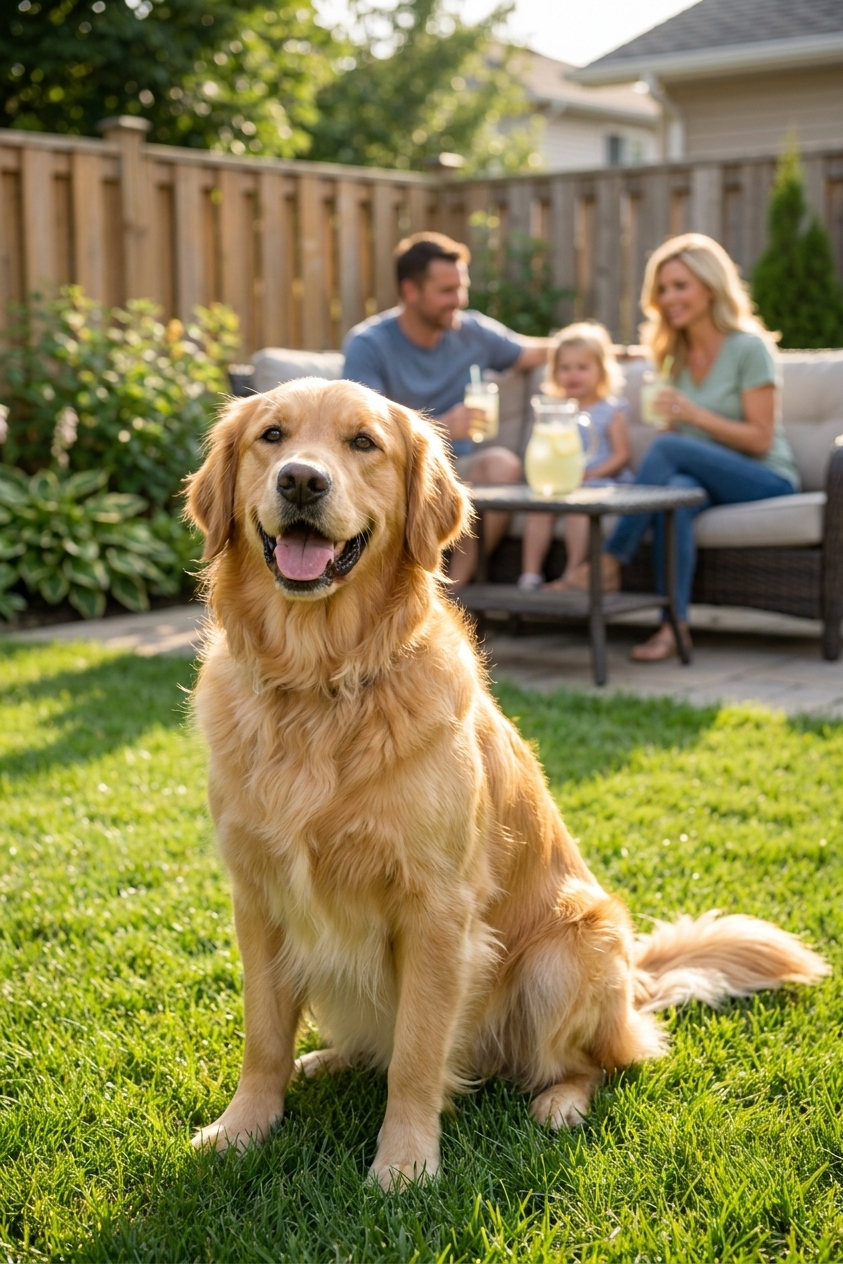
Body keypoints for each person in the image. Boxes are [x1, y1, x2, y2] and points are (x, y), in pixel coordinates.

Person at [569, 232, 800, 662]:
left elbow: (761, 438)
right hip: (702, 475)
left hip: (765, 477)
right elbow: (676, 438)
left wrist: (693, 416)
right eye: (662, 288)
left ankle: (610, 559)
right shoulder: (672, 354)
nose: (668, 297)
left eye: (680, 286)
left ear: (710, 287)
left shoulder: (750, 348)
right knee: (676, 493)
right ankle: (673, 627)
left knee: (670, 455)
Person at [342, 232, 549, 586]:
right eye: (447, 291)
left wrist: (619, 351)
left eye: (462, 288)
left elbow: (536, 352)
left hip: (459, 468)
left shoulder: (474, 333)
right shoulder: (369, 345)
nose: (459, 300)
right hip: (396, 472)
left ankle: (454, 589)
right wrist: (442, 428)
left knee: (503, 465)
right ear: (411, 292)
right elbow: (363, 433)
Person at [518, 322, 633, 591]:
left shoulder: (611, 409)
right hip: (560, 483)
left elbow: (622, 455)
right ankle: (529, 575)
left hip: (598, 482)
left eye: (582, 368)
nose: (573, 375)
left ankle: (572, 573)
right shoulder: (553, 410)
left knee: (578, 512)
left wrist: (592, 473)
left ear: (601, 371)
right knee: (539, 510)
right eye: (565, 368)